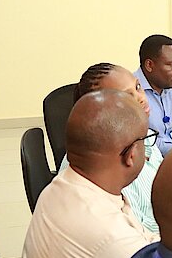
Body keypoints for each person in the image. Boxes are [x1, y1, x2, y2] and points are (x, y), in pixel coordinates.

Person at [20, 90, 158, 258]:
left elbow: (146, 243)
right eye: (147, 140)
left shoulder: (64, 186)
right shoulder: (108, 235)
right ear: (131, 155)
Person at [58, 62, 162, 234]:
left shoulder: (147, 134)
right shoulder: (109, 167)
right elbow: (138, 234)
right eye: (127, 97)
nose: (141, 98)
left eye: (138, 87)